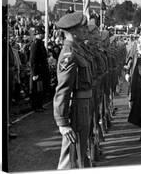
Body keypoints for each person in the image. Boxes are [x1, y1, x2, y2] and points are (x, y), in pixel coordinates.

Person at [53, 12, 92, 169]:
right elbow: (63, 88)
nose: (86, 30)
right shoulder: (69, 54)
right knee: (70, 157)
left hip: (83, 105)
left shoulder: (78, 50)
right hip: (76, 108)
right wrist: (62, 122)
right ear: (74, 31)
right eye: (83, 27)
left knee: (80, 153)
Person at [29, 26, 49, 112]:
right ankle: (36, 106)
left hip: (41, 71)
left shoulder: (40, 43)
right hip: (37, 71)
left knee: (40, 89)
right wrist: (34, 73)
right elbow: (33, 60)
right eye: (42, 33)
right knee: (36, 90)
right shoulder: (35, 44)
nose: (43, 35)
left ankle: (39, 105)